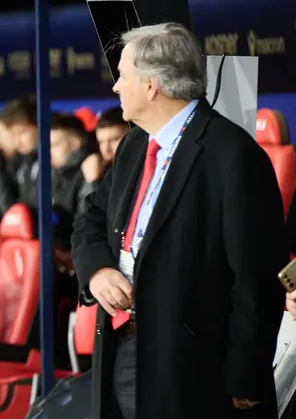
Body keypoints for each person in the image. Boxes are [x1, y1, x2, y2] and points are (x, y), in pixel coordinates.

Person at [71, 22, 286, 419]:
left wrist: (245, 376)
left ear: (152, 85)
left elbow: (256, 277)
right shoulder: (135, 142)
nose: (116, 87)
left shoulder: (233, 155)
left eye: (123, 75)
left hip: (192, 368)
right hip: (121, 348)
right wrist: (96, 270)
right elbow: (93, 216)